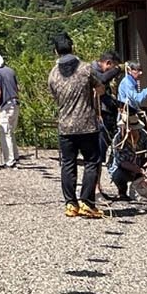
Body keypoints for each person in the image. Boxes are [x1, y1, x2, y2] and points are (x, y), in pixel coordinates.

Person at [48, 31, 104, 219]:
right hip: (87, 124)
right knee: (91, 162)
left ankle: (71, 204)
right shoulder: (86, 69)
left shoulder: (53, 75)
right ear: (73, 47)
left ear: (56, 52)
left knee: (68, 164)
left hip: (65, 126)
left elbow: (55, 97)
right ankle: (87, 203)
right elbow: (100, 87)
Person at [0, 50, 21, 168]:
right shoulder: (11, 71)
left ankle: (9, 161)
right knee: (11, 132)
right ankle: (15, 157)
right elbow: (18, 88)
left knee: (5, 132)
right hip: (16, 103)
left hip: (6, 105)